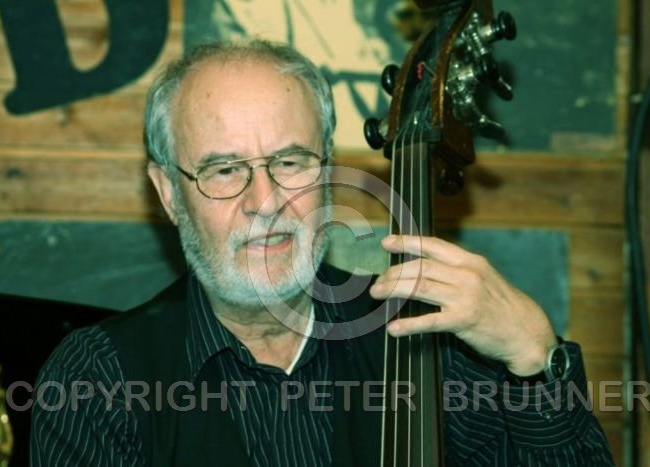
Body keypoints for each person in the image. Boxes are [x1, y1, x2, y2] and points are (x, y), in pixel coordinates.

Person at [30, 39, 614, 466]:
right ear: (168, 194)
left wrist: (537, 357)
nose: (266, 201)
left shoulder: (424, 341)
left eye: (290, 162)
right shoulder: (98, 378)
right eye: (224, 170)